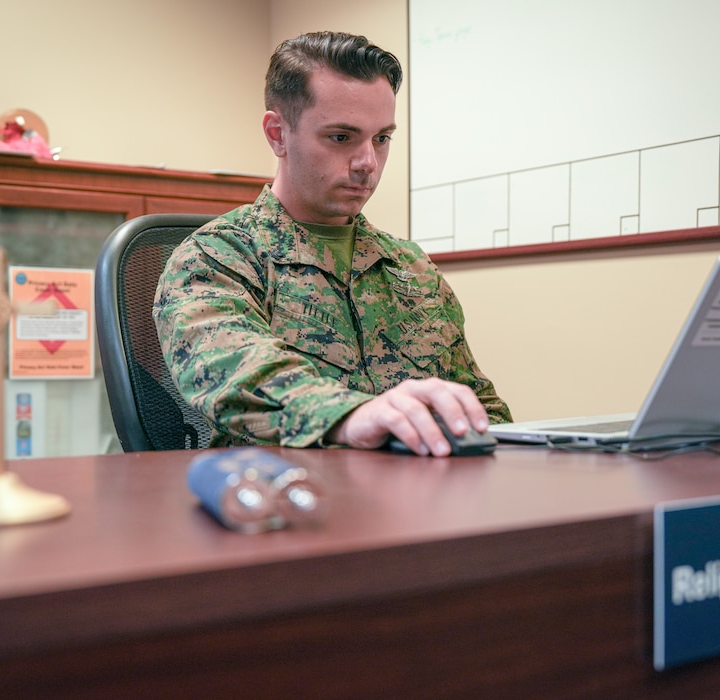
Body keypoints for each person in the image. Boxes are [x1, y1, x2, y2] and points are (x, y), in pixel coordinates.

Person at [154, 31, 511, 458]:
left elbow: (476, 403)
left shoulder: (409, 267)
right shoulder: (216, 259)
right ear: (278, 135)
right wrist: (352, 416)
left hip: (421, 505)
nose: (368, 163)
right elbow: (234, 372)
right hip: (289, 504)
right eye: (341, 137)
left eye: (381, 138)